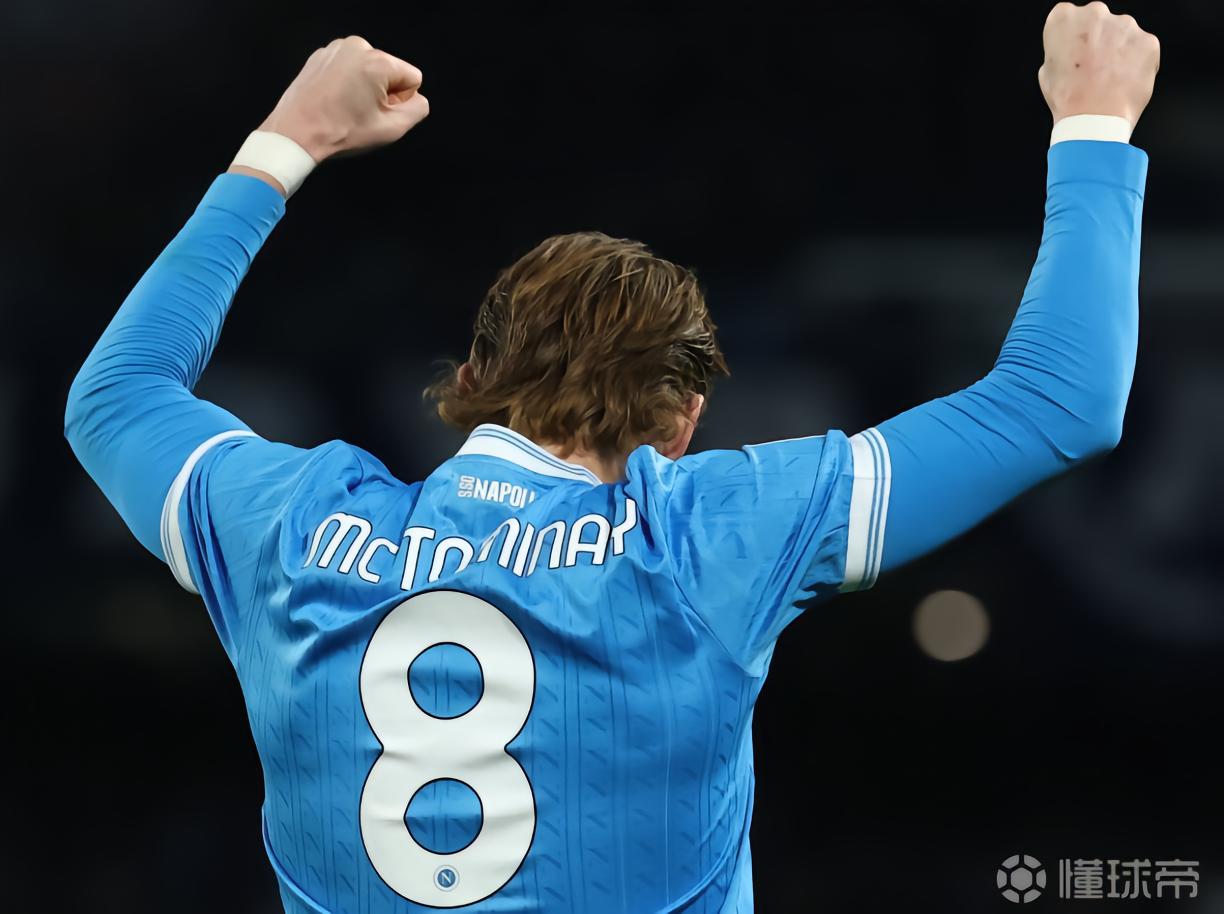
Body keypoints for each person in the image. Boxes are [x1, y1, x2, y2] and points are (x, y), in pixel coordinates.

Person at [64, 4, 1159, 912]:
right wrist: (1095, 124)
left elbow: (116, 397)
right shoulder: (703, 539)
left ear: (472, 377)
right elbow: (1058, 399)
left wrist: (288, 139)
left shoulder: (294, 529)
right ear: (681, 424)